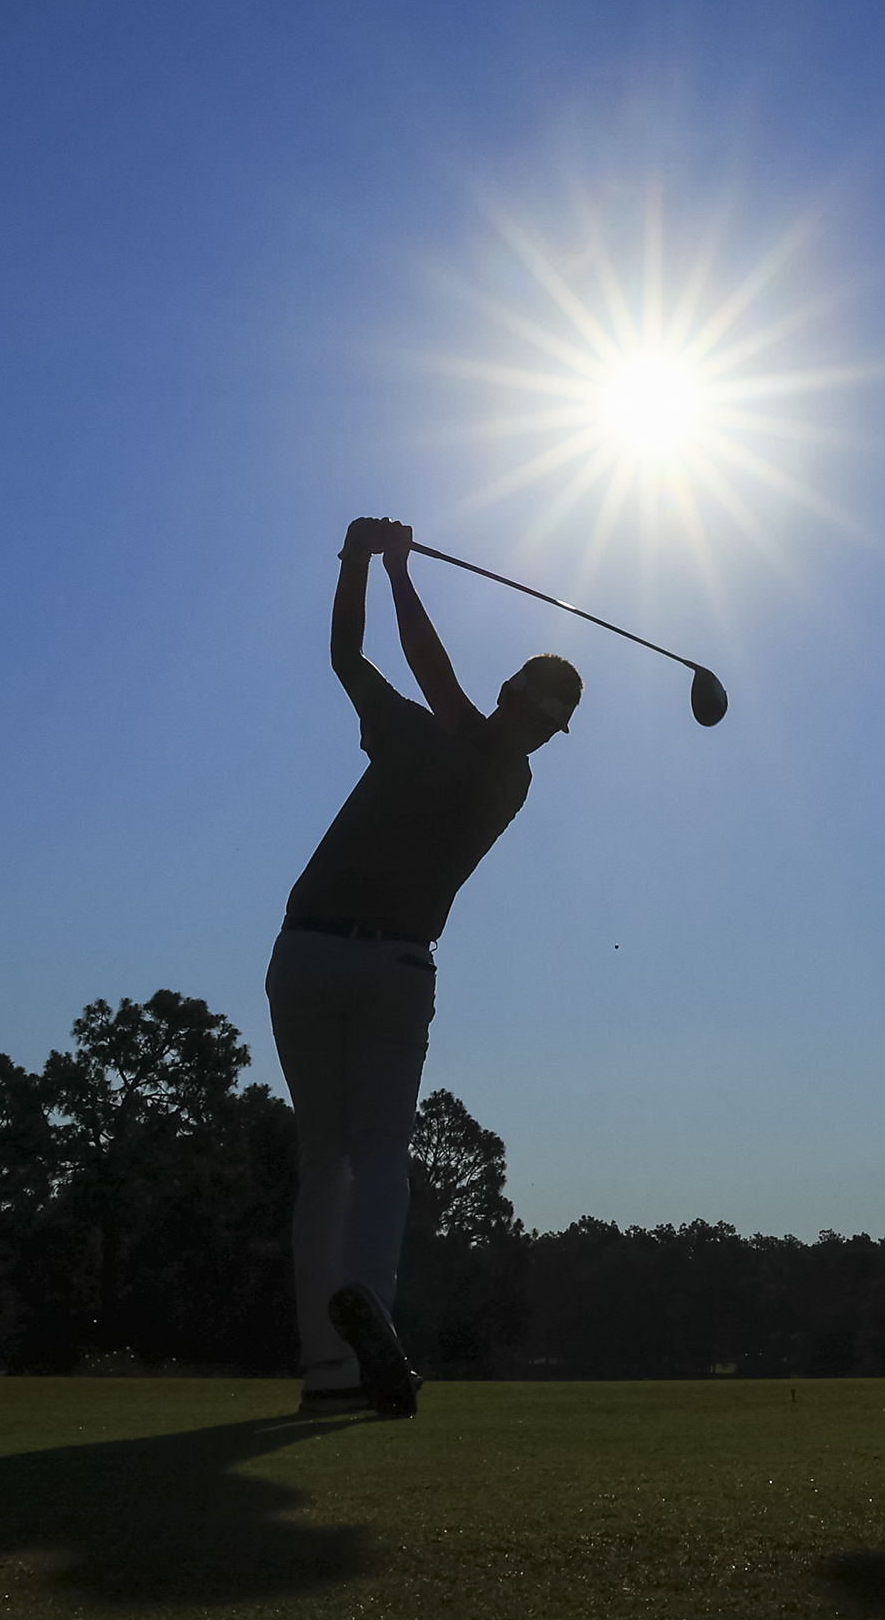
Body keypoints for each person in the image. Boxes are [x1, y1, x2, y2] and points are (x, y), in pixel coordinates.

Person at [269, 516, 580, 1418]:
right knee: (377, 1155)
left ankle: (328, 1373)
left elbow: (351, 654)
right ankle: (366, 1300)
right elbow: (413, 674)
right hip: (399, 970)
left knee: (323, 1161)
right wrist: (380, 564)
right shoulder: (512, 782)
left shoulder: (435, 738)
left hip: (304, 952)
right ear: (553, 733)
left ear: (505, 695)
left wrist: (373, 563)